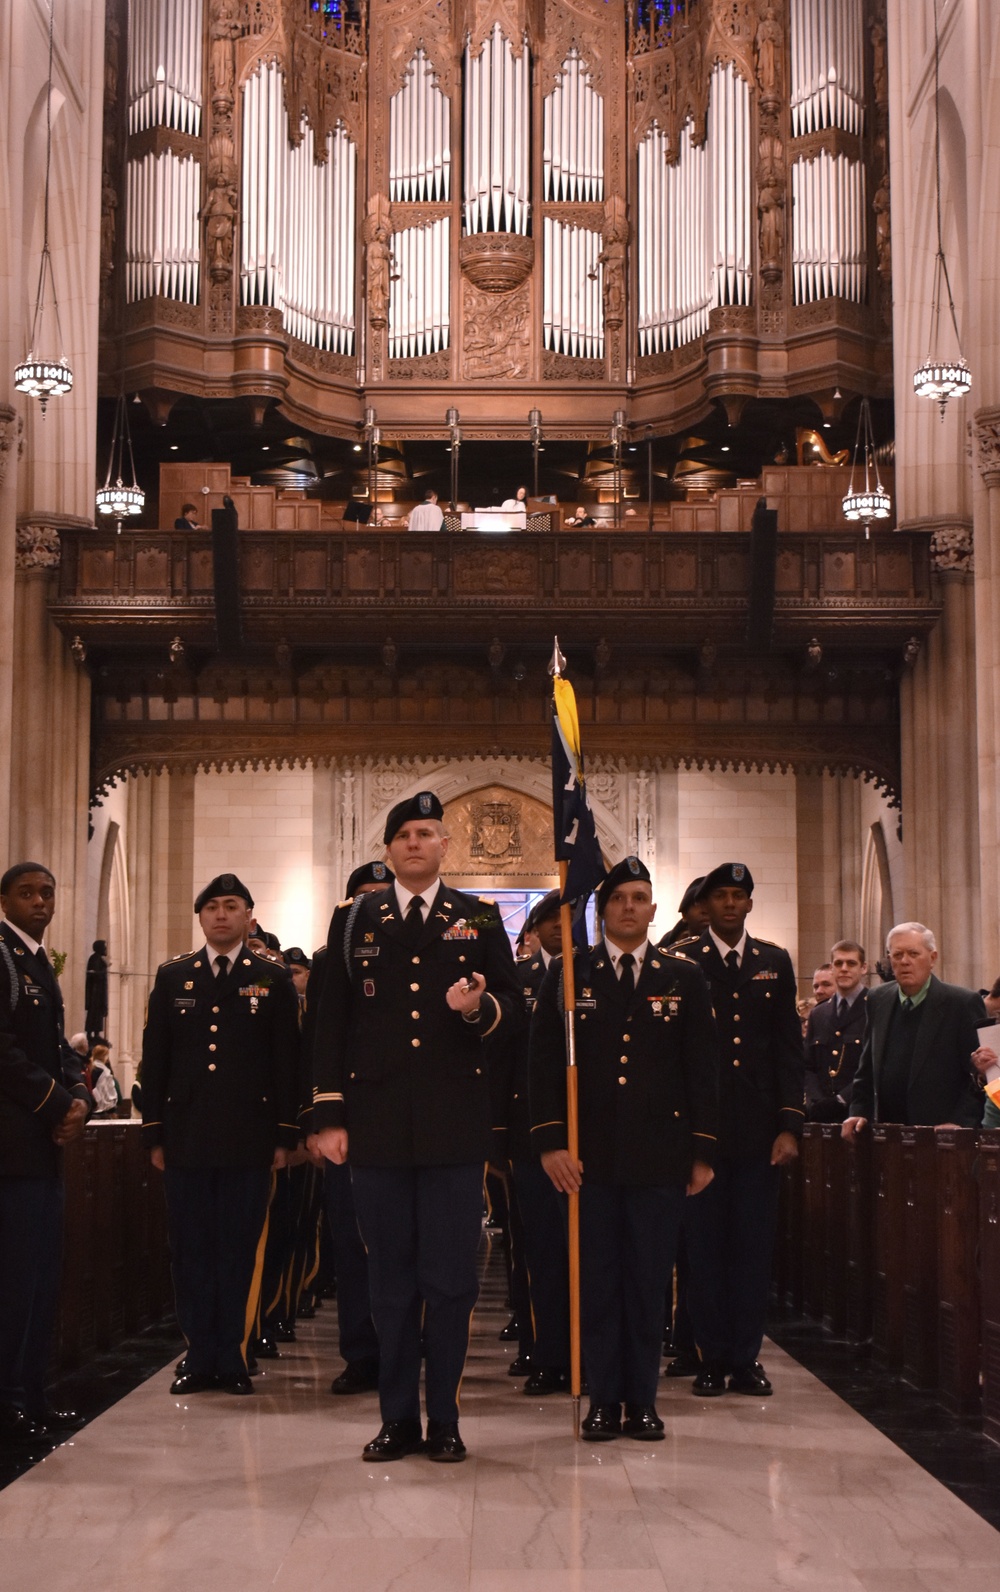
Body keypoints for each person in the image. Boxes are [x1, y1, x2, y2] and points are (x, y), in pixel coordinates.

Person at [312, 792, 521, 1462]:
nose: (413, 843)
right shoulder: (355, 919)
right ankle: (397, 1418)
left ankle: (447, 1421)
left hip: (454, 1129)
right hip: (374, 1129)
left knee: (451, 1281)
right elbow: (329, 1026)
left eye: (426, 833)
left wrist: (478, 1007)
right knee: (389, 1281)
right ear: (387, 849)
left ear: (444, 847)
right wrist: (327, 1114)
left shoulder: (478, 917)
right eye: (402, 834)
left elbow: (514, 1010)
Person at [531, 857, 719, 1441]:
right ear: (602, 909)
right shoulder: (569, 974)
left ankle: (642, 1400)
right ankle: (602, 1399)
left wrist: (703, 1152)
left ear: (654, 910)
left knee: (647, 1281)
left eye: (640, 898)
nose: (629, 907)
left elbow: (701, 1070)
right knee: (597, 1282)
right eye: (618, 899)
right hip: (589, 1161)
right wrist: (550, 1143)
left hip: (659, 1157)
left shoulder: (682, 976)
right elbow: (540, 1067)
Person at [141, 872, 301, 1396]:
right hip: (186, 1137)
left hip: (248, 1138)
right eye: (212, 907)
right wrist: (155, 1134)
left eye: (232, 906)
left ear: (249, 915)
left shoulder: (271, 978)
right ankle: (197, 1353)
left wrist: (283, 1135)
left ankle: (232, 1354)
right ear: (201, 917)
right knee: (190, 1249)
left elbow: (285, 1062)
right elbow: (156, 1059)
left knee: (237, 1248)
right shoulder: (174, 977)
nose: (222, 915)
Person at [678, 862, 804, 1397]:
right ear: (707, 906)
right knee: (702, 1251)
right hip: (700, 1134)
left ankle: (747, 1358)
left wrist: (789, 1126)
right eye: (722, 896)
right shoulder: (683, 961)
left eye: (739, 896)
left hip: (757, 1134)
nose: (730, 905)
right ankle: (709, 1358)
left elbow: (786, 1051)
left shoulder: (772, 962)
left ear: (750, 904)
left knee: (752, 1251)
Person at [0, 862, 90, 1441]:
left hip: (41, 1146)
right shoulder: (3, 956)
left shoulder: (35, 961)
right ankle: (10, 1400)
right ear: (4, 899)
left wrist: (79, 1093)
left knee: (39, 1277)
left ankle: (32, 1392)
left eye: (47, 893)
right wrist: (58, 1103)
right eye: (27, 893)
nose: (40, 902)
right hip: (13, 1151)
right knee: (15, 1279)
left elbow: (58, 1045)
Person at [305, 860, 396, 1397]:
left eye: (381, 895)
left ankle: (409, 1344)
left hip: (404, 1125)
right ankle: (361, 1353)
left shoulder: (420, 954)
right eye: (361, 898)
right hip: (350, 1128)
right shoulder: (329, 963)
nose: (373, 905)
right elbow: (320, 1042)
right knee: (352, 1244)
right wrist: (318, 1121)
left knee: (407, 1247)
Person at [494, 889, 571, 1393]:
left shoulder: (589, 975)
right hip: (526, 1137)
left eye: (570, 920)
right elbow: (500, 1065)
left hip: (587, 1138)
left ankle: (583, 1350)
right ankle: (540, 1348)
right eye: (551, 921)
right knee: (536, 1249)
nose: (561, 929)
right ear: (536, 927)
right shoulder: (518, 980)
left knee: (586, 1252)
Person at [842, 923, 985, 1137]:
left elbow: (978, 1075)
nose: (904, 961)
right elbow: (867, 1067)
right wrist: (859, 1111)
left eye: (913, 953)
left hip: (941, 1134)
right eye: (897, 954)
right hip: (887, 1133)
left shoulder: (961, 1003)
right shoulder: (877, 999)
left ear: (932, 958)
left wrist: (961, 1123)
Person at [804, 940, 869, 1122]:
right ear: (832, 968)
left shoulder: (874, 1007)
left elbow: (875, 1066)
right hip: (822, 1113)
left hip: (859, 1112)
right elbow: (808, 1065)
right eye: (839, 963)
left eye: (851, 963)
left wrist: (842, 1099)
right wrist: (816, 1101)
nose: (844, 968)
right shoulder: (819, 1013)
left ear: (863, 968)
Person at [662, 876, 708, 948]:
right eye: (697, 904)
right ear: (684, 914)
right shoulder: (666, 951)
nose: (706, 910)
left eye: (710, 904)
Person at [84, 939, 108, 1045]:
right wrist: (105, 968)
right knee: (94, 1013)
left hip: (99, 991)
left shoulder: (100, 960)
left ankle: (97, 1033)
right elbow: (93, 975)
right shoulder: (94, 959)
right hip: (95, 992)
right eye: (105, 947)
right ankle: (90, 1033)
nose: (106, 949)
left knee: (98, 1014)